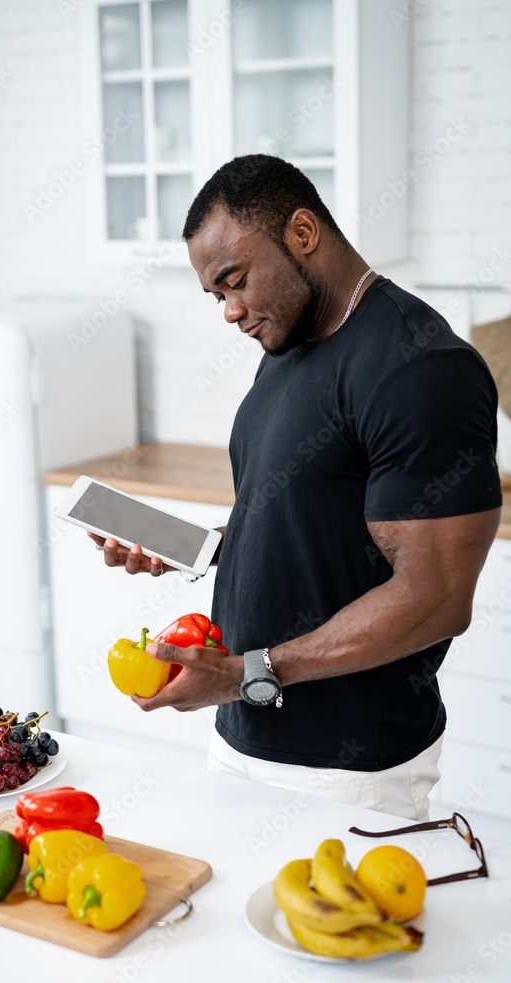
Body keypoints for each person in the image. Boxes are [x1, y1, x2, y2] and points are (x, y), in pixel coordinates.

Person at [88, 155, 502, 821]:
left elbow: (435, 598)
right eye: (215, 295)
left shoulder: (421, 369)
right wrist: (189, 545)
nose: (229, 311)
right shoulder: (286, 345)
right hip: (242, 730)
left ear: (302, 233)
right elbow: (297, 516)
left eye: (234, 282)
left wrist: (252, 671)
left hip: (347, 767)